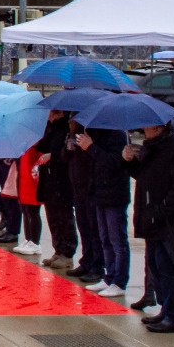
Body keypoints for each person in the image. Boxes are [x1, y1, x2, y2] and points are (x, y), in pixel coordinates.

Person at [127, 119, 174, 333]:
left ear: (158, 128)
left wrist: (162, 209)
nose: (143, 130)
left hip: (171, 222)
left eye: (147, 127)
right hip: (154, 218)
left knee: (167, 267)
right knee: (156, 266)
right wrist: (129, 161)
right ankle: (166, 309)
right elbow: (143, 175)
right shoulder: (154, 147)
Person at [78, 124, 132, 297]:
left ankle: (119, 281)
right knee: (105, 238)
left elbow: (115, 162)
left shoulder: (117, 135)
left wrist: (92, 147)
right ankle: (109, 276)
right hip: (99, 191)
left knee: (117, 240)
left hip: (114, 193)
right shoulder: (98, 133)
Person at [34, 109, 77, 268]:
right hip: (49, 177)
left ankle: (67, 252)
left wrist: (53, 155)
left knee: (64, 215)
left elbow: (68, 152)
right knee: (52, 215)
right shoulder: (51, 127)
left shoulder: (68, 128)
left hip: (62, 178)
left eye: (52, 113)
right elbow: (44, 145)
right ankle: (57, 249)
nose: (49, 116)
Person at [63, 117, 104, 283]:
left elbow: (98, 161)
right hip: (78, 186)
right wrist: (68, 147)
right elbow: (65, 159)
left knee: (94, 229)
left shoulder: (93, 134)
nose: (70, 122)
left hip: (90, 187)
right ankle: (86, 261)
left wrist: (88, 147)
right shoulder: (74, 135)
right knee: (84, 227)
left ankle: (97, 265)